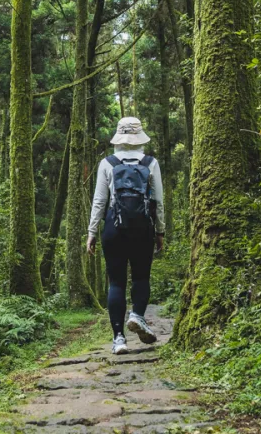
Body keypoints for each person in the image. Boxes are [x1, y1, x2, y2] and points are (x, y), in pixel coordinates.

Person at [86, 116, 165, 355]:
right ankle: (137, 316)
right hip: (143, 228)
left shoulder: (107, 163)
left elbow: (99, 201)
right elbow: (158, 202)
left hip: (113, 227)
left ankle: (118, 338)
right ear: (139, 138)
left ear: (118, 138)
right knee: (141, 277)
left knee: (116, 282)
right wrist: (160, 231)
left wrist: (91, 232)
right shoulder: (151, 163)